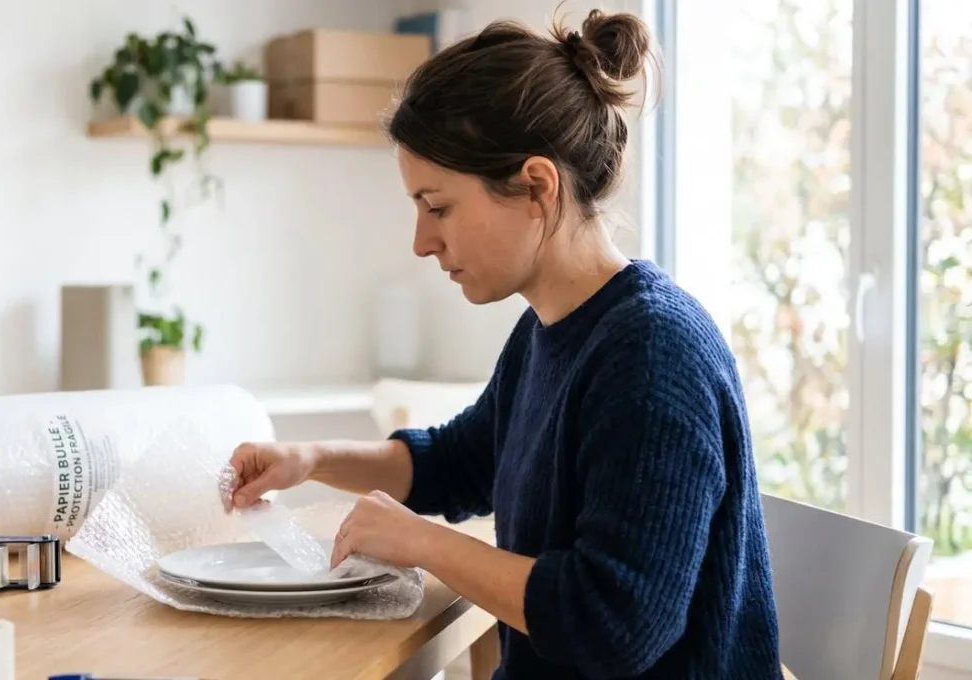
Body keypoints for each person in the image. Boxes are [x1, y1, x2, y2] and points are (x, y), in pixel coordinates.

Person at [226, 8, 783, 680]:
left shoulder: (653, 357)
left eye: (438, 207)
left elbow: (613, 625)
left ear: (536, 186)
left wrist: (421, 542)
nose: (421, 242)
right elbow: (458, 464)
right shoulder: (550, 332)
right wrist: (308, 458)